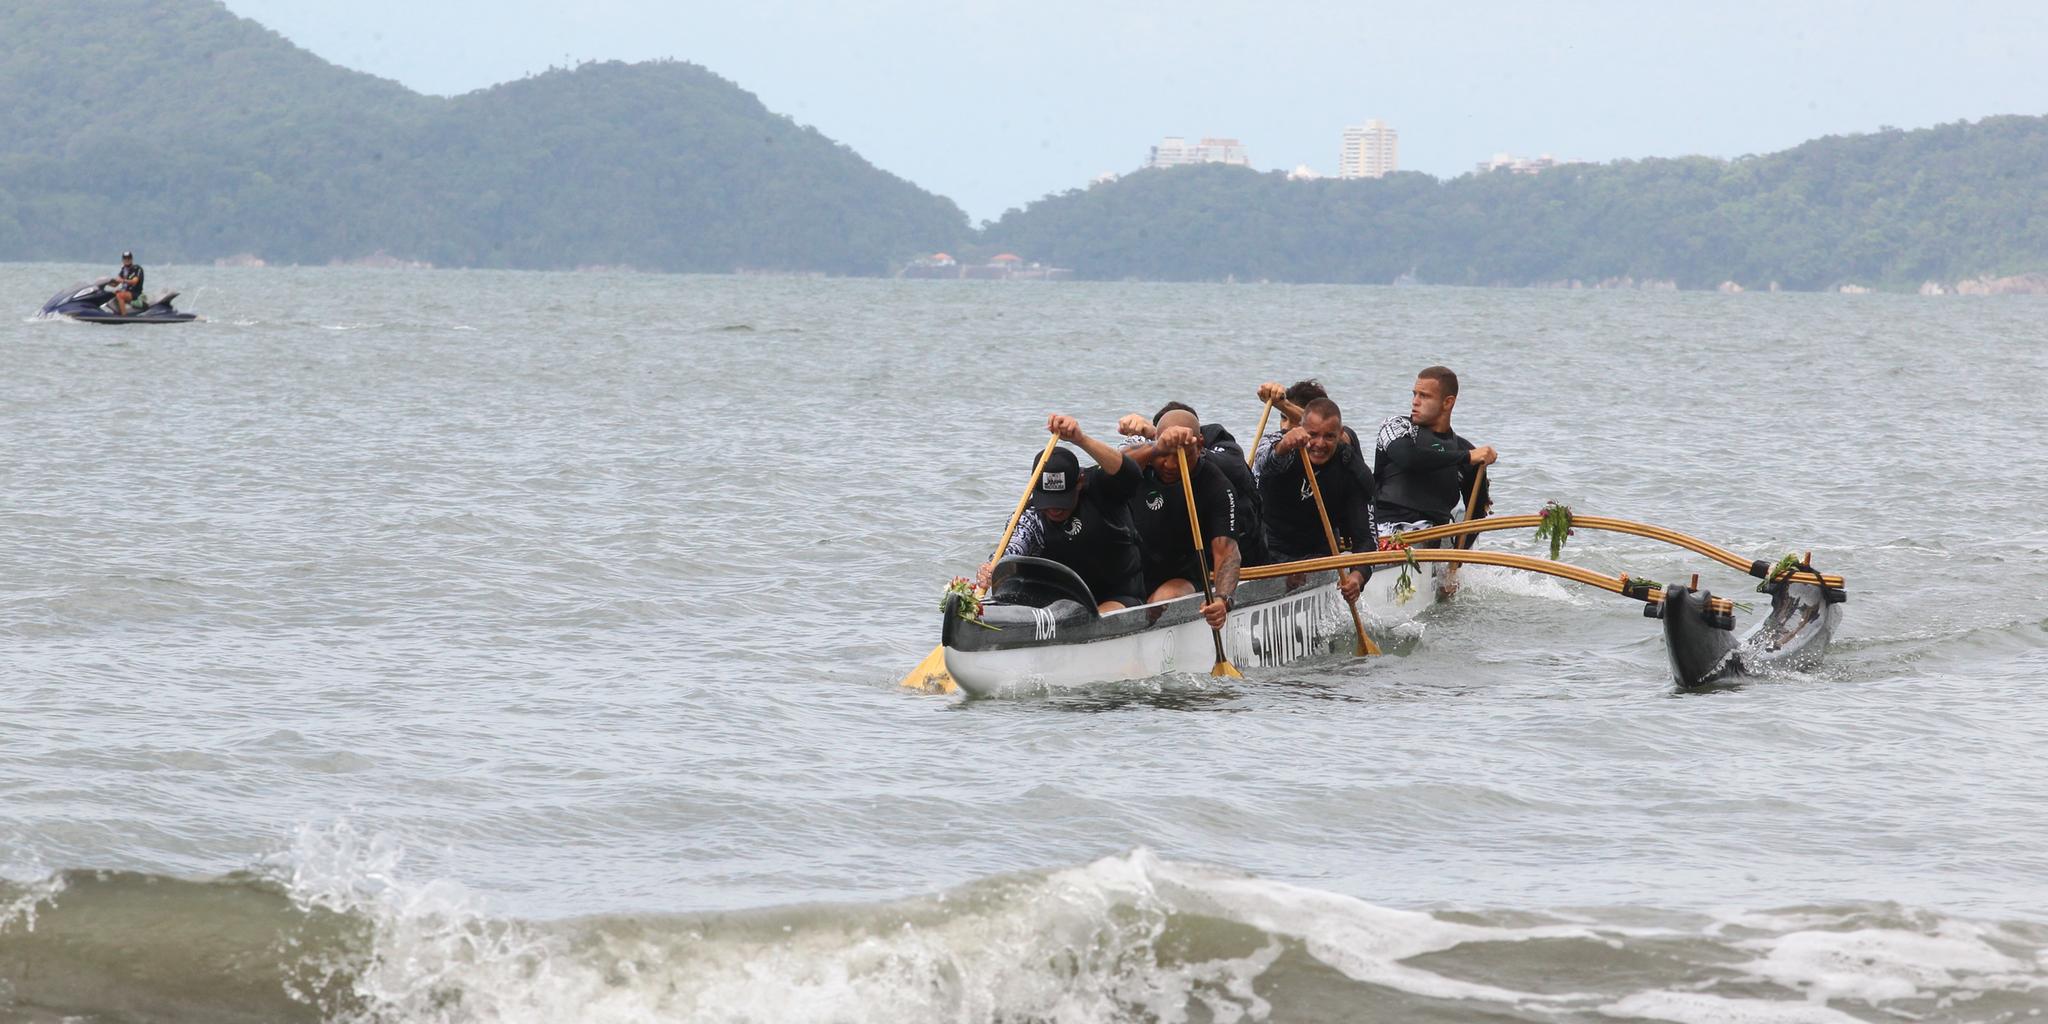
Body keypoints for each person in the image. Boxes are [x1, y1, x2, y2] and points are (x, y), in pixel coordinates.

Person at [976, 414, 1146, 612]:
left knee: (1093, 616)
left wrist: (1080, 439)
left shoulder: (1102, 488)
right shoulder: (1029, 517)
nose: (1055, 509)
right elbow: (1012, 549)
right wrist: (993, 568)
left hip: (1120, 595)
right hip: (1066, 602)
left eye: (1062, 500)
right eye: (1047, 501)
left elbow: (1130, 473)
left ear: (1080, 483)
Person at [1120, 410, 1242, 629]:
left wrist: (1223, 599)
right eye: (1164, 454)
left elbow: (1227, 552)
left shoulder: (1216, 485)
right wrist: (1157, 446)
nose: (1170, 464)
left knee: (1163, 598)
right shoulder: (1140, 463)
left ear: (1200, 444)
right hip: (1134, 572)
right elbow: (1113, 468)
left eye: (1181, 455)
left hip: (1184, 576)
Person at [1116, 401, 1268, 567]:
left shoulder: (1220, 443)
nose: (1170, 465)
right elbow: (1116, 466)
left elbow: (1233, 466)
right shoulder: (1151, 450)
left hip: (1243, 554)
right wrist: (1157, 445)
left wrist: (1185, 445)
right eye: (1166, 450)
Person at [1257, 398, 1374, 603]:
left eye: (1329, 437)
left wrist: (1357, 577)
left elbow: (1365, 540)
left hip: (1317, 555)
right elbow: (1261, 465)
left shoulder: (1351, 469)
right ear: (1301, 429)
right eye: (1312, 435)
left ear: (1340, 435)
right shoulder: (1282, 444)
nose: (1320, 444)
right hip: (1268, 549)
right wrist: (1283, 447)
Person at [1372, 365, 1495, 538]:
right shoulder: (1396, 426)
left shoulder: (1466, 451)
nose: (1415, 401)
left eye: (1424, 396)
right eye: (1414, 394)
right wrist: (1466, 457)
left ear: (1448, 402)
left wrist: (1456, 557)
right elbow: (1409, 459)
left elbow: (1475, 516)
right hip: (1384, 531)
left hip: (1432, 536)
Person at [1252, 378, 1372, 495]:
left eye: (1294, 419)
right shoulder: (1274, 441)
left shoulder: (1339, 439)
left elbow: (1341, 437)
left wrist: (1283, 405)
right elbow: (1266, 460)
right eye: (1284, 417)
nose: (1286, 427)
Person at [112, 251, 145, 316]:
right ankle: (114, 312)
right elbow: (115, 284)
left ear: (131, 259)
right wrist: (107, 282)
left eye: (128, 258)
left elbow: (134, 281)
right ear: (122, 260)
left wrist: (123, 280)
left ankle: (124, 315)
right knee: (112, 294)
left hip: (135, 293)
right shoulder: (123, 270)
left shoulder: (137, 268)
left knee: (120, 295)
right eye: (125, 258)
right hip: (126, 292)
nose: (127, 260)